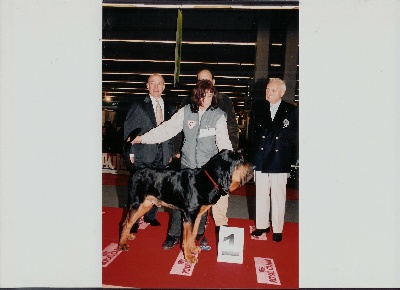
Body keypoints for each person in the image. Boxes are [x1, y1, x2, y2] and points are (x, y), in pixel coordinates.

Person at [130, 79, 233, 249]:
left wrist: (228, 162)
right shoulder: (186, 112)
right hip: (187, 166)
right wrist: (141, 138)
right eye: (202, 95)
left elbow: (224, 142)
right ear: (196, 96)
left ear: (213, 96)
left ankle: (197, 235)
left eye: (209, 95)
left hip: (206, 172)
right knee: (179, 203)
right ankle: (173, 235)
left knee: (201, 208)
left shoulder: (219, 115)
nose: (205, 100)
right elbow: (166, 129)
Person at [123, 73, 180, 231]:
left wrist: (173, 151)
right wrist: (131, 153)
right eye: (152, 83)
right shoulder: (138, 105)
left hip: (163, 156)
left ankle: (150, 216)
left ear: (164, 86)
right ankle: (133, 222)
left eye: (159, 83)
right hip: (143, 154)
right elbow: (130, 131)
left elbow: (174, 132)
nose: (156, 87)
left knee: (157, 187)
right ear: (147, 86)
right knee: (138, 190)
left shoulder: (170, 107)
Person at [248, 78, 298, 242]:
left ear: (282, 93)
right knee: (261, 194)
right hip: (261, 157)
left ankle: (277, 228)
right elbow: (252, 135)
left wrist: (293, 160)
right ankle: (262, 225)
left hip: (279, 158)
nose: (268, 93)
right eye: (268, 89)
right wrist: (252, 157)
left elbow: (295, 138)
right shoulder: (258, 108)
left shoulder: (291, 111)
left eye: (273, 90)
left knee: (278, 196)